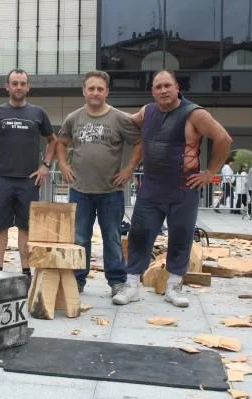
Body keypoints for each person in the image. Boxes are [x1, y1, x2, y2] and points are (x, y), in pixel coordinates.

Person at [114, 70, 232, 308]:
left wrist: (210, 173)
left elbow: (223, 139)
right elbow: (126, 120)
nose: (163, 90)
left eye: (167, 85)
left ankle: (174, 287)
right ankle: (132, 285)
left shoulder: (195, 114)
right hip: (151, 188)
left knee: (181, 237)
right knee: (139, 235)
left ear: (177, 87)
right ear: (152, 91)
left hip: (183, 189)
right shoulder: (147, 112)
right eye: (158, 87)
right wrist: (101, 109)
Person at [55, 70, 142, 299]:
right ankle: (77, 280)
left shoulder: (119, 118)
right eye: (91, 88)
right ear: (84, 91)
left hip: (110, 192)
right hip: (80, 190)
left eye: (100, 89)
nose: (95, 92)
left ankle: (117, 281)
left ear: (107, 92)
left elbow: (139, 142)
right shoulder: (73, 118)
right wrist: (63, 165)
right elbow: (61, 142)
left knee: (112, 238)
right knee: (79, 238)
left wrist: (129, 169)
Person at [0, 69, 57, 278]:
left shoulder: (38, 113)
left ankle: (26, 272)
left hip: (28, 181)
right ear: (7, 86)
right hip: (2, 179)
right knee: (0, 226)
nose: (18, 87)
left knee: (26, 227)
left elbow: (52, 140)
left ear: (28, 87)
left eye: (22, 83)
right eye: (14, 83)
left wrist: (45, 165)